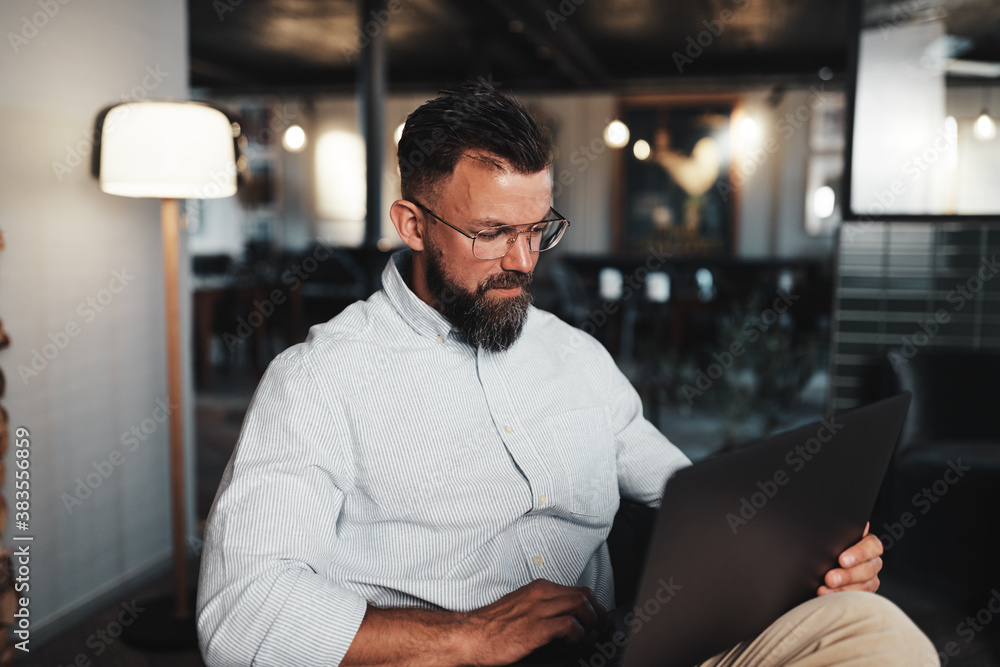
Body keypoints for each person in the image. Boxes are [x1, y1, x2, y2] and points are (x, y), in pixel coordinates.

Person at [196, 80, 938, 667]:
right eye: (491, 233)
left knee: (872, 629)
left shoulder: (576, 357)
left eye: (537, 229)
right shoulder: (318, 381)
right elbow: (241, 612)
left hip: (623, 647)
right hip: (445, 660)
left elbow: (694, 499)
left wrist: (807, 548)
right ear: (413, 222)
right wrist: (469, 636)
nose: (523, 260)